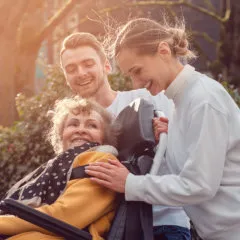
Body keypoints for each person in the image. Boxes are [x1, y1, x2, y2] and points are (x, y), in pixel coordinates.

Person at [85, 18, 240, 240]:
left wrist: (130, 183)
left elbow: (198, 185)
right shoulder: (182, 102)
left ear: (164, 50)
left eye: (137, 71)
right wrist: (174, 135)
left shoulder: (203, 100)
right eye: (130, 75)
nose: (136, 84)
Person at [60, 32, 191, 239]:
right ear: (66, 77)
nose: (81, 72)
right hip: (106, 231)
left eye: (88, 64)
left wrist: (169, 136)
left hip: (161, 224)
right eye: (71, 68)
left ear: (106, 66)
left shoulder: (148, 97)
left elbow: (190, 154)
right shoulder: (72, 126)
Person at [0, 96, 120, 240]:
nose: (81, 130)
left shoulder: (102, 160)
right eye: (73, 124)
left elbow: (64, 215)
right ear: (61, 134)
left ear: (104, 137)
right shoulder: (53, 167)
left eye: (92, 125)